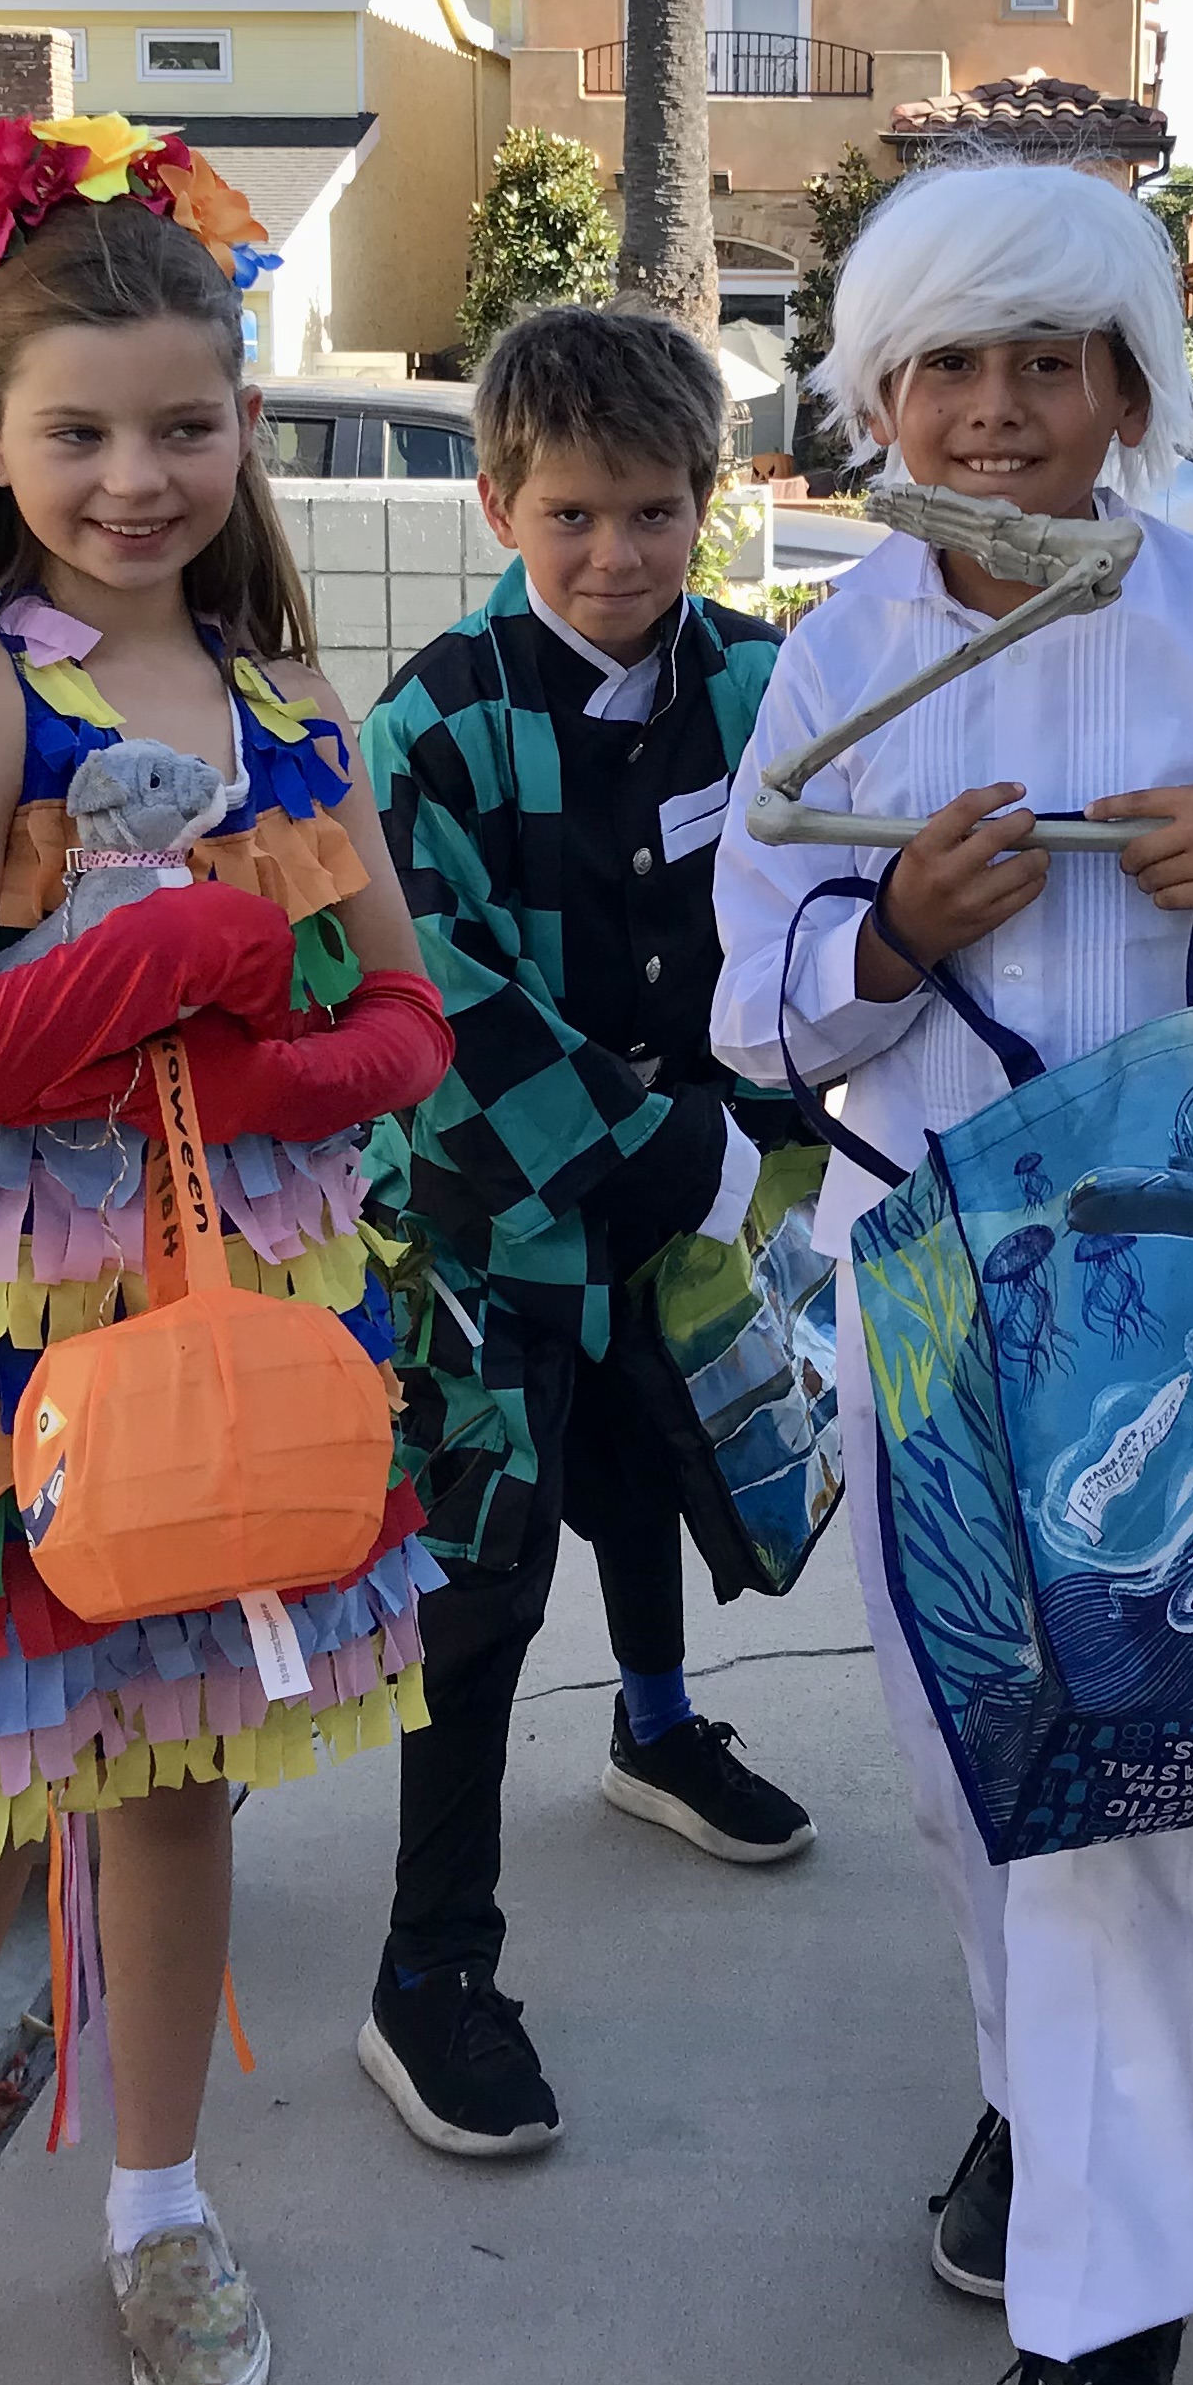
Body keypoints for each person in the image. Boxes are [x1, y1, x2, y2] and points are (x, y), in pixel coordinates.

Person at [711, 162, 1193, 2385]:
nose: (1002, 409)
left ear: (1135, 382)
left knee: (1114, 1801)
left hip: (1178, 1317)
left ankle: (1108, 2358)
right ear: (879, 396)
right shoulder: (830, 660)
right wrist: (891, 932)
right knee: (972, 1776)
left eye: (1053, 361)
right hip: (923, 1305)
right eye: (951, 365)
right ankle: (1042, 2124)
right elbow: (764, 1010)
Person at [0, 113, 454, 2385]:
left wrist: (247, 1020)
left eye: (185, 424)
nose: (138, 475)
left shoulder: (288, 697)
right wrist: (162, 960)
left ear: (246, 422)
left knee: (173, 1787)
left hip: (227, 1341)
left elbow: (406, 1027)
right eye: (81, 432)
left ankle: (158, 2207)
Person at [354, 302, 818, 2161]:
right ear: (497, 508)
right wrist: (654, 1152)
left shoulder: (768, 685)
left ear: (709, 501)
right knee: (473, 1586)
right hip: (489, 1224)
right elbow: (428, 989)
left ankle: (655, 1725)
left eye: (651, 513)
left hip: (701, 1191)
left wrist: (758, 1130)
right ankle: (429, 1968)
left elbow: (811, 906)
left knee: (656, 1474)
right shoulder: (434, 719)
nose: (615, 557)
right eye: (572, 519)